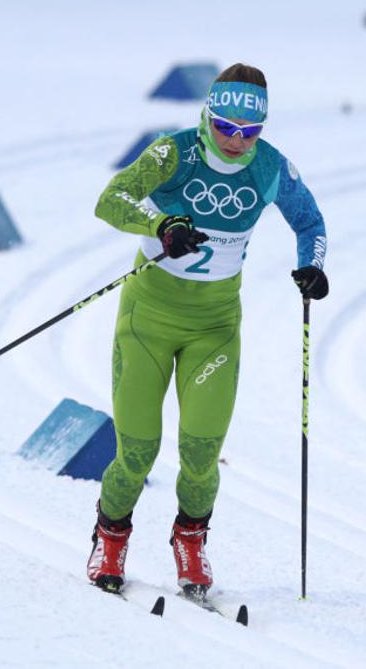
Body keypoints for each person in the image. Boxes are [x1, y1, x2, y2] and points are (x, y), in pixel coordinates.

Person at [85, 63, 329, 599]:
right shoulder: (173, 153)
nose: (237, 142)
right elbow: (111, 199)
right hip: (147, 319)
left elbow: (309, 222)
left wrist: (312, 266)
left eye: (250, 132)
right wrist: (161, 225)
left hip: (215, 327)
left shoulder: (270, 168)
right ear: (208, 116)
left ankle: (190, 541)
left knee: (200, 453)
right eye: (226, 128)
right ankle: (111, 536)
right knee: (137, 452)